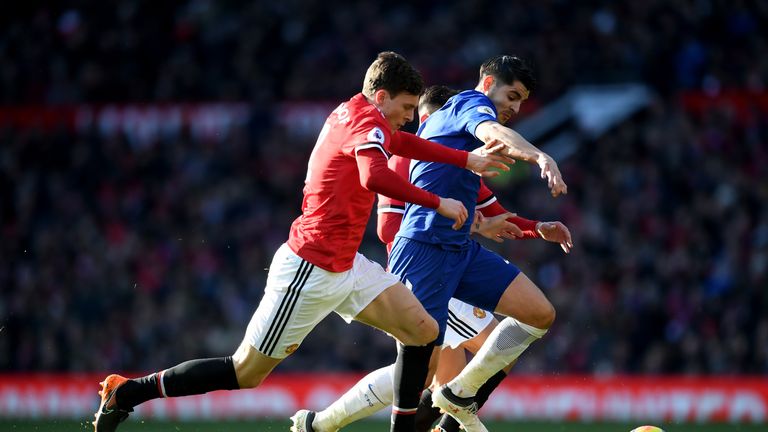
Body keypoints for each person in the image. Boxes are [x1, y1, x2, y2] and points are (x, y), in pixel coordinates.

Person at [92, 51, 513, 432]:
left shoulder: (359, 113)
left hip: (347, 265)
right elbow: (374, 177)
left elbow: (401, 141)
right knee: (246, 372)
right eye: (405, 107)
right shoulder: (364, 123)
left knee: (424, 333)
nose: (408, 116)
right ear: (382, 97)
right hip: (308, 269)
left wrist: (466, 158)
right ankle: (128, 393)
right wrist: (437, 201)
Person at [291, 85, 572, 432]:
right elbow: (390, 229)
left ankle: (319, 424)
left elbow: (494, 215)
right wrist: (473, 226)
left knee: (431, 377)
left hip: (451, 263)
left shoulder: (459, 165)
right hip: (425, 264)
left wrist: (536, 227)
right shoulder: (405, 159)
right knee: (479, 355)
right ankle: (447, 418)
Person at [385, 55, 568, 432]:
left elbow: (493, 211)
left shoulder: (466, 153)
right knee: (420, 376)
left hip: (459, 252)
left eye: (521, 101)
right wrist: (538, 155)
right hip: (423, 250)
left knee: (539, 314)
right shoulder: (469, 105)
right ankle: (323, 423)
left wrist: (537, 228)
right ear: (487, 84)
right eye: (512, 95)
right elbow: (492, 131)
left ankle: (459, 394)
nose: (515, 108)